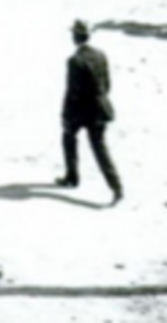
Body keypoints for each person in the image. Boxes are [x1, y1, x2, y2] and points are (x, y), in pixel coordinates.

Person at [55, 20, 122, 205]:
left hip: (80, 110)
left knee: (68, 137)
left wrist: (66, 115)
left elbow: (72, 91)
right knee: (100, 148)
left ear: (75, 37)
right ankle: (116, 187)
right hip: (99, 108)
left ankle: (72, 176)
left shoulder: (74, 61)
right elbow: (107, 84)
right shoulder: (100, 55)